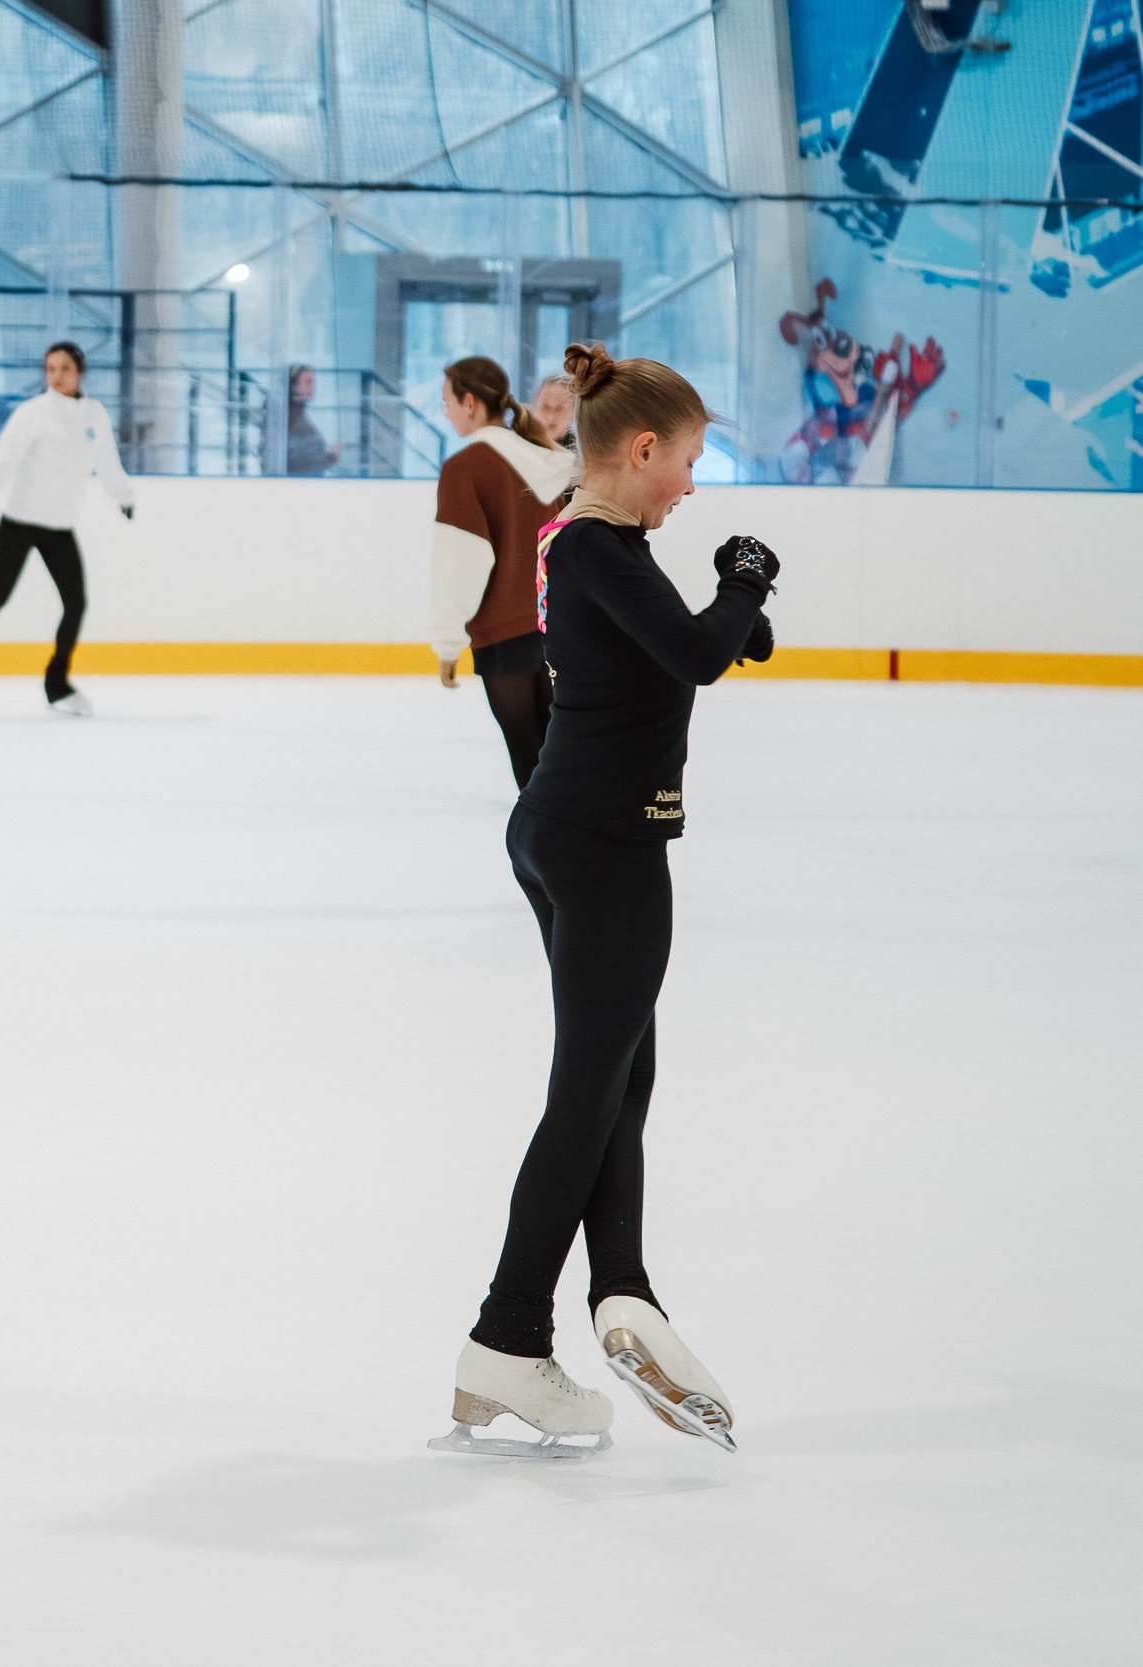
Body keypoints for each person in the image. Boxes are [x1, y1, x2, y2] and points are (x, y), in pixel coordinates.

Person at [431, 341, 776, 1461]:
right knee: (589, 1090)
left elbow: (670, 650)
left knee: (618, 1077)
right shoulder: (592, 544)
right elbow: (694, 653)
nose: (692, 484)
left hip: (571, 830)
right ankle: (508, 1334)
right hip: (603, 847)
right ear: (641, 449)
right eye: (689, 461)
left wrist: (733, 616)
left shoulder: (595, 543)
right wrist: (746, 579)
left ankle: (621, 1289)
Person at [0, 341, 134, 718]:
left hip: (59, 526)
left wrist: (122, 495)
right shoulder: (33, 413)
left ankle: (57, 683)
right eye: (50, 369)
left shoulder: (94, 414)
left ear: (80, 371)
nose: (57, 376)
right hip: (20, 521)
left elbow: (107, 460)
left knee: (76, 604)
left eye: (65, 368)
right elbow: (2, 459)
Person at [428, 356, 577, 788]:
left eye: (447, 403)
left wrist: (448, 642)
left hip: (502, 630)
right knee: (555, 752)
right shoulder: (548, 463)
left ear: (470, 403)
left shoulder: (467, 467)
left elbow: (461, 561)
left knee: (529, 761)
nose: (448, 414)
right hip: (553, 624)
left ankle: (549, 828)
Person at [284, 364, 339, 475]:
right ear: (294, 385)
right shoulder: (290, 416)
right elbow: (298, 459)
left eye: (313, 383)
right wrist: (331, 458)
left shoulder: (298, 413)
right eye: (308, 382)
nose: (313, 388)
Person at [529, 373, 577, 453]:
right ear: (535, 404)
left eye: (560, 409)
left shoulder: (583, 455)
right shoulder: (516, 444)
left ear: (574, 412)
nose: (551, 417)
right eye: (545, 406)